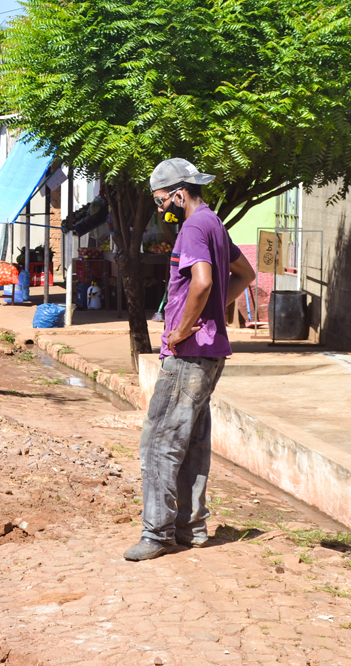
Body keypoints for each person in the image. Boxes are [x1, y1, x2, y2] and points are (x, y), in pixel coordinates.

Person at [124, 158, 255, 562]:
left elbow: (202, 281)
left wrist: (181, 329)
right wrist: (212, 311)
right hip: (211, 353)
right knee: (193, 442)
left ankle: (158, 533)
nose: (163, 207)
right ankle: (191, 528)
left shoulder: (195, 227)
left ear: (180, 192)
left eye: (164, 200)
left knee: (159, 442)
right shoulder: (214, 223)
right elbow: (245, 274)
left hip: (189, 354)